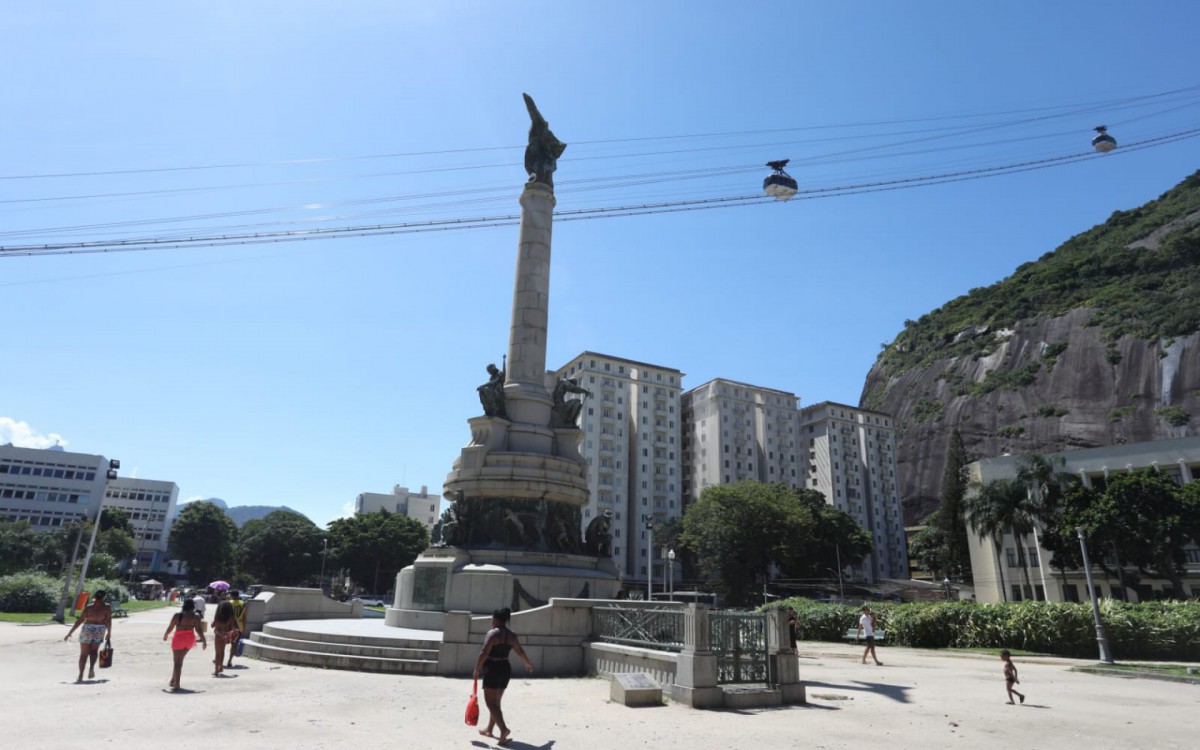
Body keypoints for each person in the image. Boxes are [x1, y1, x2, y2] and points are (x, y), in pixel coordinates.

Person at [473, 607, 534, 746]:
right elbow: (519, 650)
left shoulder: (493, 634)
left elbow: (484, 652)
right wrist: (527, 663)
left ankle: (503, 729)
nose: (491, 620)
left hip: (492, 669)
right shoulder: (512, 635)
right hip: (505, 669)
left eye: (492, 618)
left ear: (496, 619)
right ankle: (489, 729)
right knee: (496, 702)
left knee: (490, 703)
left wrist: (477, 668)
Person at [63, 589, 113, 682]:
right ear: (104, 597)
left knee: (83, 654)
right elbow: (108, 621)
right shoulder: (107, 607)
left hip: (87, 629)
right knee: (94, 651)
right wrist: (109, 633)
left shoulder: (89, 607)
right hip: (99, 629)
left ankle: (80, 675)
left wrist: (70, 633)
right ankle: (91, 669)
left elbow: (80, 620)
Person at [163, 599, 206, 691]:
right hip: (190, 639)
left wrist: (166, 634)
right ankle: (173, 680)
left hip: (179, 638)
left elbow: (171, 626)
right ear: (193, 606)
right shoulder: (196, 616)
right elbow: (198, 629)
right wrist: (204, 640)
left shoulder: (178, 615)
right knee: (180, 659)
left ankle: (176, 684)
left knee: (177, 662)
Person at [210, 601, 237, 676]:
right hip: (226, 635)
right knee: (222, 651)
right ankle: (221, 666)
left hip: (218, 635)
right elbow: (233, 629)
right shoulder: (231, 617)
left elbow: (212, 626)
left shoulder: (218, 617)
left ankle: (216, 670)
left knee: (217, 652)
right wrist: (229, 634)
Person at [226, 590, 246, 669]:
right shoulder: (243, 603)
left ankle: (219, 658)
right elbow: (244, 617)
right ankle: (230, 661)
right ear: (238, 595)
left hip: (228, 626)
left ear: (231, 595)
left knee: (223, 642)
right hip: (239, 626)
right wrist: (244, 627)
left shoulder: (228, 603)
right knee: (234, 644)